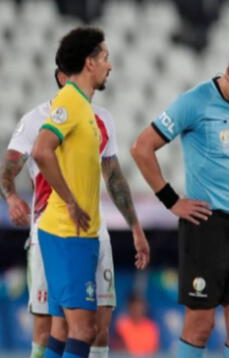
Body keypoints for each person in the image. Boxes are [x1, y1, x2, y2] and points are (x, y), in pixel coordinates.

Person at [130, 41, 229, 358]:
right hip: (205, 226)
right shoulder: (194, 102)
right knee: (200, 325)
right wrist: (172, 201)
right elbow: (141, 147)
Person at [0, 65, 150, 358]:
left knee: (97, 327)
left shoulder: (103, 118)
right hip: (51, 231)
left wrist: (134, 225)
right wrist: (11, 197)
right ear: (62, 77)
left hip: (95, 231)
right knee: (48, 328)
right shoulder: (36, 120)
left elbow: (114, 177)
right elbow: (8, 169)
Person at [28, 27, 119, 358]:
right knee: (84, 330)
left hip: (70, 234)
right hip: (69, 235)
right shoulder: (70, 99)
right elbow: (41, 150)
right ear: (89, 62)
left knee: (63, 330)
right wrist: (69, 200)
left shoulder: (83, 106)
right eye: (105, 58)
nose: (110, 65)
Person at [115, 293, 160, 357]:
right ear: (129, 308)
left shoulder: (151, 326)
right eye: (134, 308)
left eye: (139, 307)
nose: (137, 311)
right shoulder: (122, 324)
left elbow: (156, 350)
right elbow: (120, 350)